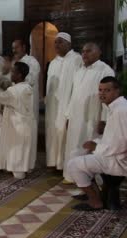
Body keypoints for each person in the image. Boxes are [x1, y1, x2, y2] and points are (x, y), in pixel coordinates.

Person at [66, 76, 127, 211]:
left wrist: (96, 147)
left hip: (119, 160)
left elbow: (121, 144)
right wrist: (95, 143)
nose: (102, 93)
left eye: (107, 90)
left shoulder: (121, 110)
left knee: (73, 165)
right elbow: (112, 137)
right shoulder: (116, 107)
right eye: (100, 90)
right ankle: (93, 191)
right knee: (76, 153)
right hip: (113, 154)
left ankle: (95, 201)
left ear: (117, 91)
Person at [63, 43, 115, 183]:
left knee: (88, 147)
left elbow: (108, 97)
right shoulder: (79, 70)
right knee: (74, 146)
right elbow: (73, 95)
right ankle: (72, 176)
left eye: (88, 51)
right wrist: (68, 116)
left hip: (93, 118)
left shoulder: (105, 70)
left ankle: (90, 181)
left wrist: (104, 119)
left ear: (98, 53)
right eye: (83, 51)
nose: (84, 54)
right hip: (75, 116)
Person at [0, 62, 37, 179]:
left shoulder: (15, 90)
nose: (11, 74)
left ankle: (19, 173)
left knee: (17, 152)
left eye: (13, 72)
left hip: (18, 126)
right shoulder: (27, 87)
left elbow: (0, 97)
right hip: (26, 124)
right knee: (23, 150)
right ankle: (24, 169)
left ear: (19, 75)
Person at [45, 33, 82, 170]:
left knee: (64, 133)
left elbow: (78, 85)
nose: (56, 45)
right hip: (53, 106)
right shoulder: (53, 62)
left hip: (67, 105)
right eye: (55, 42)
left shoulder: (76, 59)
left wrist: (71, 109)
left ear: (69, 43)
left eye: (60, 42)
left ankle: (64, 165)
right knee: (52, 131)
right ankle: (53, 162)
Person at [12, 39, 41, 121]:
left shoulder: (32, 61)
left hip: (28, 103)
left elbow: (30, 81)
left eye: (16, 48)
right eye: (13, 48)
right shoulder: (14, 63)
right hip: (16, 103)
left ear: (23, 47)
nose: (14, 51)